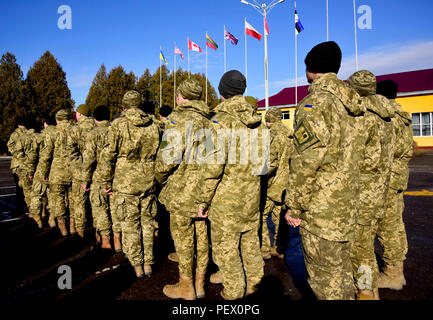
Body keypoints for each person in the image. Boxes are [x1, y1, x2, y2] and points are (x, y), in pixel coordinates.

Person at [284, 41, 366, 300]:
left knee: (325, 280)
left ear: (311, 68)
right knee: (342, 273)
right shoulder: (353, 104)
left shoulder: (315, 103)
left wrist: (295, 206)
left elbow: (306, 161)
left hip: (322, 208)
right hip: (348, 204)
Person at [192, 70, 268, 300]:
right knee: (250, 243)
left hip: (226, 200)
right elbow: (263, 164)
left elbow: (210, 168)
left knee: (226, 250)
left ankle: (234, 293)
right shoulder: (259, 122)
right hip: (252, 195)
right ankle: (254, 285)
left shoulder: (216, 122)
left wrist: (202, 200)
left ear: (221, 91)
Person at [155, 78, 211, 300]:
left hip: (181, 190)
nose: (176, 98)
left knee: (183, 237)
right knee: (202, 235)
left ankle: (186, 285)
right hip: (203, 188)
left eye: (178, 95)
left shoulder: (177, 119)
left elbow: (167, 158)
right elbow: (209, 155)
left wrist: (159, 176)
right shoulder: (209, 120)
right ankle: (200, 283)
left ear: (183, 96)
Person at [99, 90, 161, 278]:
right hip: (148, 180)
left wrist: (105, 180)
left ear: (124, 106)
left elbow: (108, 155)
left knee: (130, 224)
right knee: (148, 223)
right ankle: (148, 263)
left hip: (125, 182)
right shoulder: (154, 124)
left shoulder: (118, 125)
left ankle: (137, 264)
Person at [347, 70, 396, 300]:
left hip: (362, 195)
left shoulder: (362, 118)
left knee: (360, 248)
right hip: (380, 191)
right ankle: (368, 286)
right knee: (366, 244)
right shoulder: (388, 117)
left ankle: (366, 290)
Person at [376, 80, 413, 291]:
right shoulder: (403, 116)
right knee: (396, 224)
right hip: (399, 176)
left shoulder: (386, 117)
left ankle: (392, 274)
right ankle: (397, 269)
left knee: (386, 226)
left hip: (387, 179)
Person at [80, 105, 118, 250]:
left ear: (95, 118)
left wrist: (85, 180)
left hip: (98, 177)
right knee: (115, 210)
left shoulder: (92, 134)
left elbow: (88, 160)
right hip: (115, 177)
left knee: (100, 209)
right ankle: (118, 239)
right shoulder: (115, 131)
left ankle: (106, 241)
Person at [37, 109, 76, 236]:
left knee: (58, 199)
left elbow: (46, 155)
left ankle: (62, 225)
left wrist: (43, 172)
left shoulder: (52, 132)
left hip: (57, 171)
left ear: (57, 120)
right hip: (74, 170)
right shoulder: (76, 130)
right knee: (73, 199)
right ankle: (73, 225)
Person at [261, 107, 293, 260]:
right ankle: (278, 247)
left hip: (273, 184)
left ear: (269, 120)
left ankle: (265, 248)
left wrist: (258, 176)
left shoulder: (272, 135)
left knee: (262, 215)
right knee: (278, 217)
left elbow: (270, 162)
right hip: (287, 184)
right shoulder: (290, 135)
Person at [68, 104, 95, 238]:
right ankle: (99, 235)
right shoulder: (96, 126)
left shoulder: (75, 129)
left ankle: (80, 232)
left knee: (79, 202)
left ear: (79, 114)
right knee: (97, 204)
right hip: (97, 171)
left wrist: (81, 167)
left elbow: (71, 152)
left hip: (80, 172)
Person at [26, 115, 58, 228]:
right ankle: (52, 218)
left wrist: (30, 171)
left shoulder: (40, 136)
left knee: (36, 194)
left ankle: (37, 217)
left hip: (41, 169)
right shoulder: (59, 134)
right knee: (54, 195)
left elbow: (32, 155)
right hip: (56, 170)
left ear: (45, 124)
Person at [7, 117, 36, 218]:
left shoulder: (15, 134)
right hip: (29, 164)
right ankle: (32, 209)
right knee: (30, 188)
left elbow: (10, 146)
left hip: (18, 165)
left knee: (19, 189)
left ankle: (21, 210)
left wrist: (18, 155)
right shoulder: (31, 134)